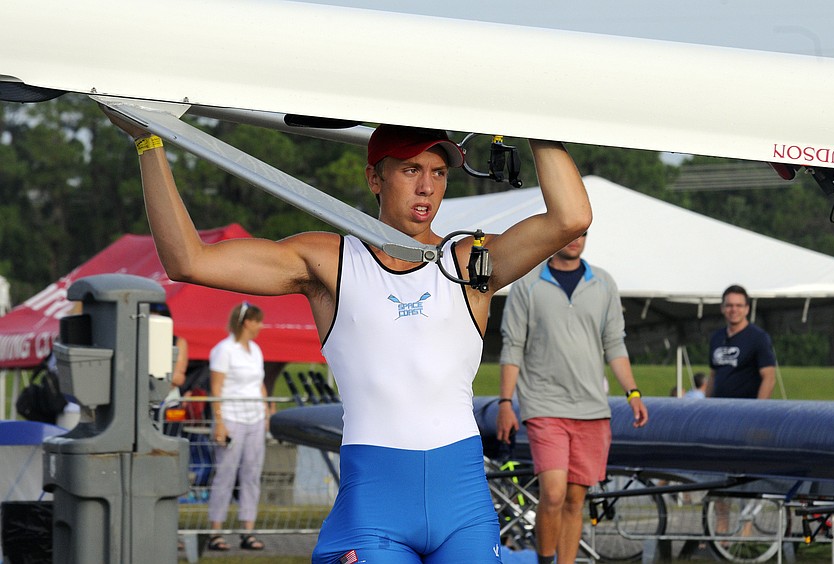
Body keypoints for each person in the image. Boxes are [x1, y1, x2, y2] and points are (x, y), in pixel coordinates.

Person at [105, 108, 591, 563]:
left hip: (462, 502)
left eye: (438, 173)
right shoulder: (328, 262)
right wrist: (149, 140)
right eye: (409, 171)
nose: (426, 188)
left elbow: (571, 218)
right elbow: (189, 261)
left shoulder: (470, 262)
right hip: (375, 504)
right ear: (374, 177)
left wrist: (533, 117)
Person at [497, 231, 649, 564]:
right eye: (571, 232)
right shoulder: (527, 284)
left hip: (592, 408)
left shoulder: (604, 283)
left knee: (574, 501)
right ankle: (546, 560)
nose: (576, 239)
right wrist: (505, 402)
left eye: (583, 233)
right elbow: (512, 347)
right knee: (553, 492)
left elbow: (615, 343)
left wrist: (633, 392)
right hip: (544, 405)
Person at [206, 302, 269, 552]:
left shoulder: (255, 350)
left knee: (251, 475)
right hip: (232, 416)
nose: (261, 326)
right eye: (258, 321)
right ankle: (215, 531)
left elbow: (259, 383)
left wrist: (266, 411)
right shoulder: (224, 350)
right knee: (225, 474)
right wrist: (219, 422)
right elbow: (216, 388)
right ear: (247, 322)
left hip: (254, 418)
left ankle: (247, 530)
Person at [706, 285, 776, 399]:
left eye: (739, 305)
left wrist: (758, 410)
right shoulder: (717, 337)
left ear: (747, 309)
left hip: (744, 409)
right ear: (722, 308)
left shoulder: (758, 337)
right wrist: (706, 405)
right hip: (718, 408)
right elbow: (713, 375)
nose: (734, 310)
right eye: (729, 305)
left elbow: (769, 377)